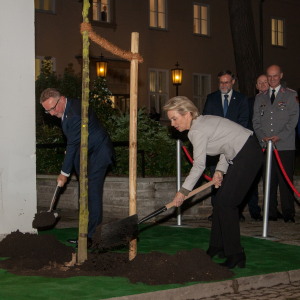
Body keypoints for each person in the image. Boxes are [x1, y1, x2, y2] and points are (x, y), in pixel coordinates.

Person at [164, 96, 263, 269]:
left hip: (247, 155)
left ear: (187, 114)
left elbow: (199, 166)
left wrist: (183, 191)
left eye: (174, 118)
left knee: (226, 203)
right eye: (170, 120)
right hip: (244, 152)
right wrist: (219, 171)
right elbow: (226, 144)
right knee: (221, 202)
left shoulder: (196, 131)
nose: (172, 124)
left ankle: (236, 254)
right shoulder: (202, 122)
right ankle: (217, 245)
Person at [40, 88, 115, 248]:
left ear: (61, 99)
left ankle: (93, 238)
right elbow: (75, 140)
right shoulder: (66, 108)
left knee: (93, 195)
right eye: (48, 111)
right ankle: (85, 235)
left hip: (98, 154)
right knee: (85, 194)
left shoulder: (74, 113)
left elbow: (72, 143)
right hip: (85, 154)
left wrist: (63, 173)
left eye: (52, 109)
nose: (51, 114)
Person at [253, 65, 299, 223]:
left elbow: (293, 120)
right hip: (266, 146)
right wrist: (263, 138)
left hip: (285, 145)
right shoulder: (260, 98)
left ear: (281, 76)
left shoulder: (291, 96)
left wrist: (279, 137)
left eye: (275, 76)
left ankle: (288, 212)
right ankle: (270, 211)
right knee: (268, 179)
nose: (272, 79)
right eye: (269, 76)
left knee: (286, 179)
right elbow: (256, 122)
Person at [203, 70, 249, 221]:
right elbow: (206, 120)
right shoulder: (212, 98)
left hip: (235, 147)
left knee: (234, 180)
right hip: (216, 147)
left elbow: (243, 122)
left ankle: (235, 211)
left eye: (227, 82)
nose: (224, 85)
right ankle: (216, 211)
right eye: (221, 82)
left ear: (233, 82)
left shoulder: (241, 99)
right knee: (216, 179)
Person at [244, 75, 269, 221]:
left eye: (266, 82)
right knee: (253, 179)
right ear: (257, 86)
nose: (263, 84)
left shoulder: (276, 101)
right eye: (260, 82)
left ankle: (271, 210)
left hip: (273, 146)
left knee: (272, 178)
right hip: (255, 145)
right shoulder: (249, 102)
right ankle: (254, 210)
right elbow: (245, 122)